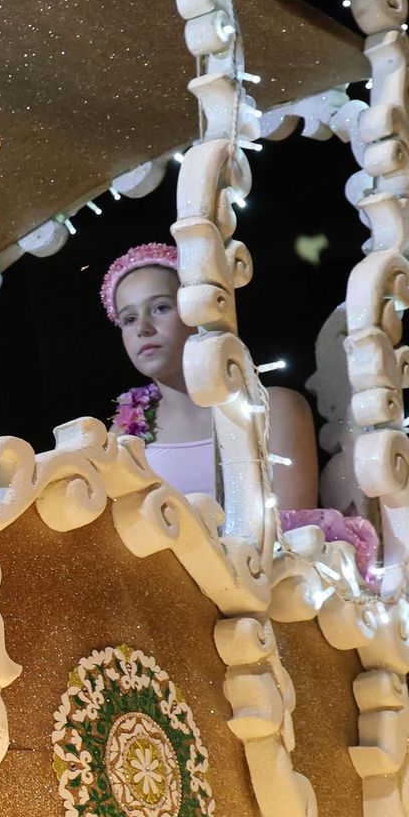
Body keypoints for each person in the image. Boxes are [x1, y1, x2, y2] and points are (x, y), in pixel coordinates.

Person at [102, 242, 381, 582]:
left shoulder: (274, 408)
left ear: (198, 313)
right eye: (128, 318)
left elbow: (290, 544)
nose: (142, 328)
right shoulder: (125, 433)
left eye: (160, 308)